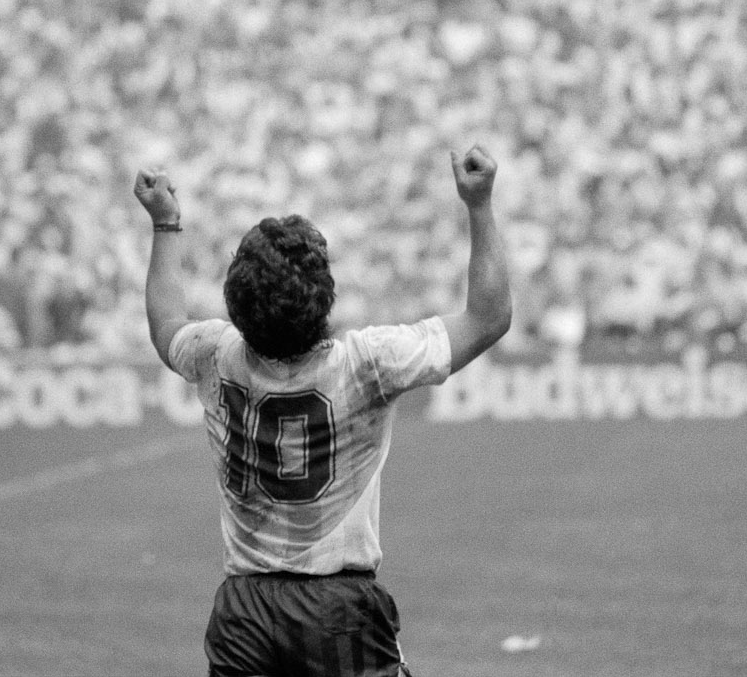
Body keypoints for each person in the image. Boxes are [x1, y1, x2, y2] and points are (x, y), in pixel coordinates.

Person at [133, 144, 512, 677]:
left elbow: (164, 324)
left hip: (243, 610)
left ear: (236, 300)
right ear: (324, 296)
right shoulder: (367, 363)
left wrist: (165, 224)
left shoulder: (215, 354)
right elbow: (489, 318)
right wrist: (479, 204)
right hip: (338, 609)